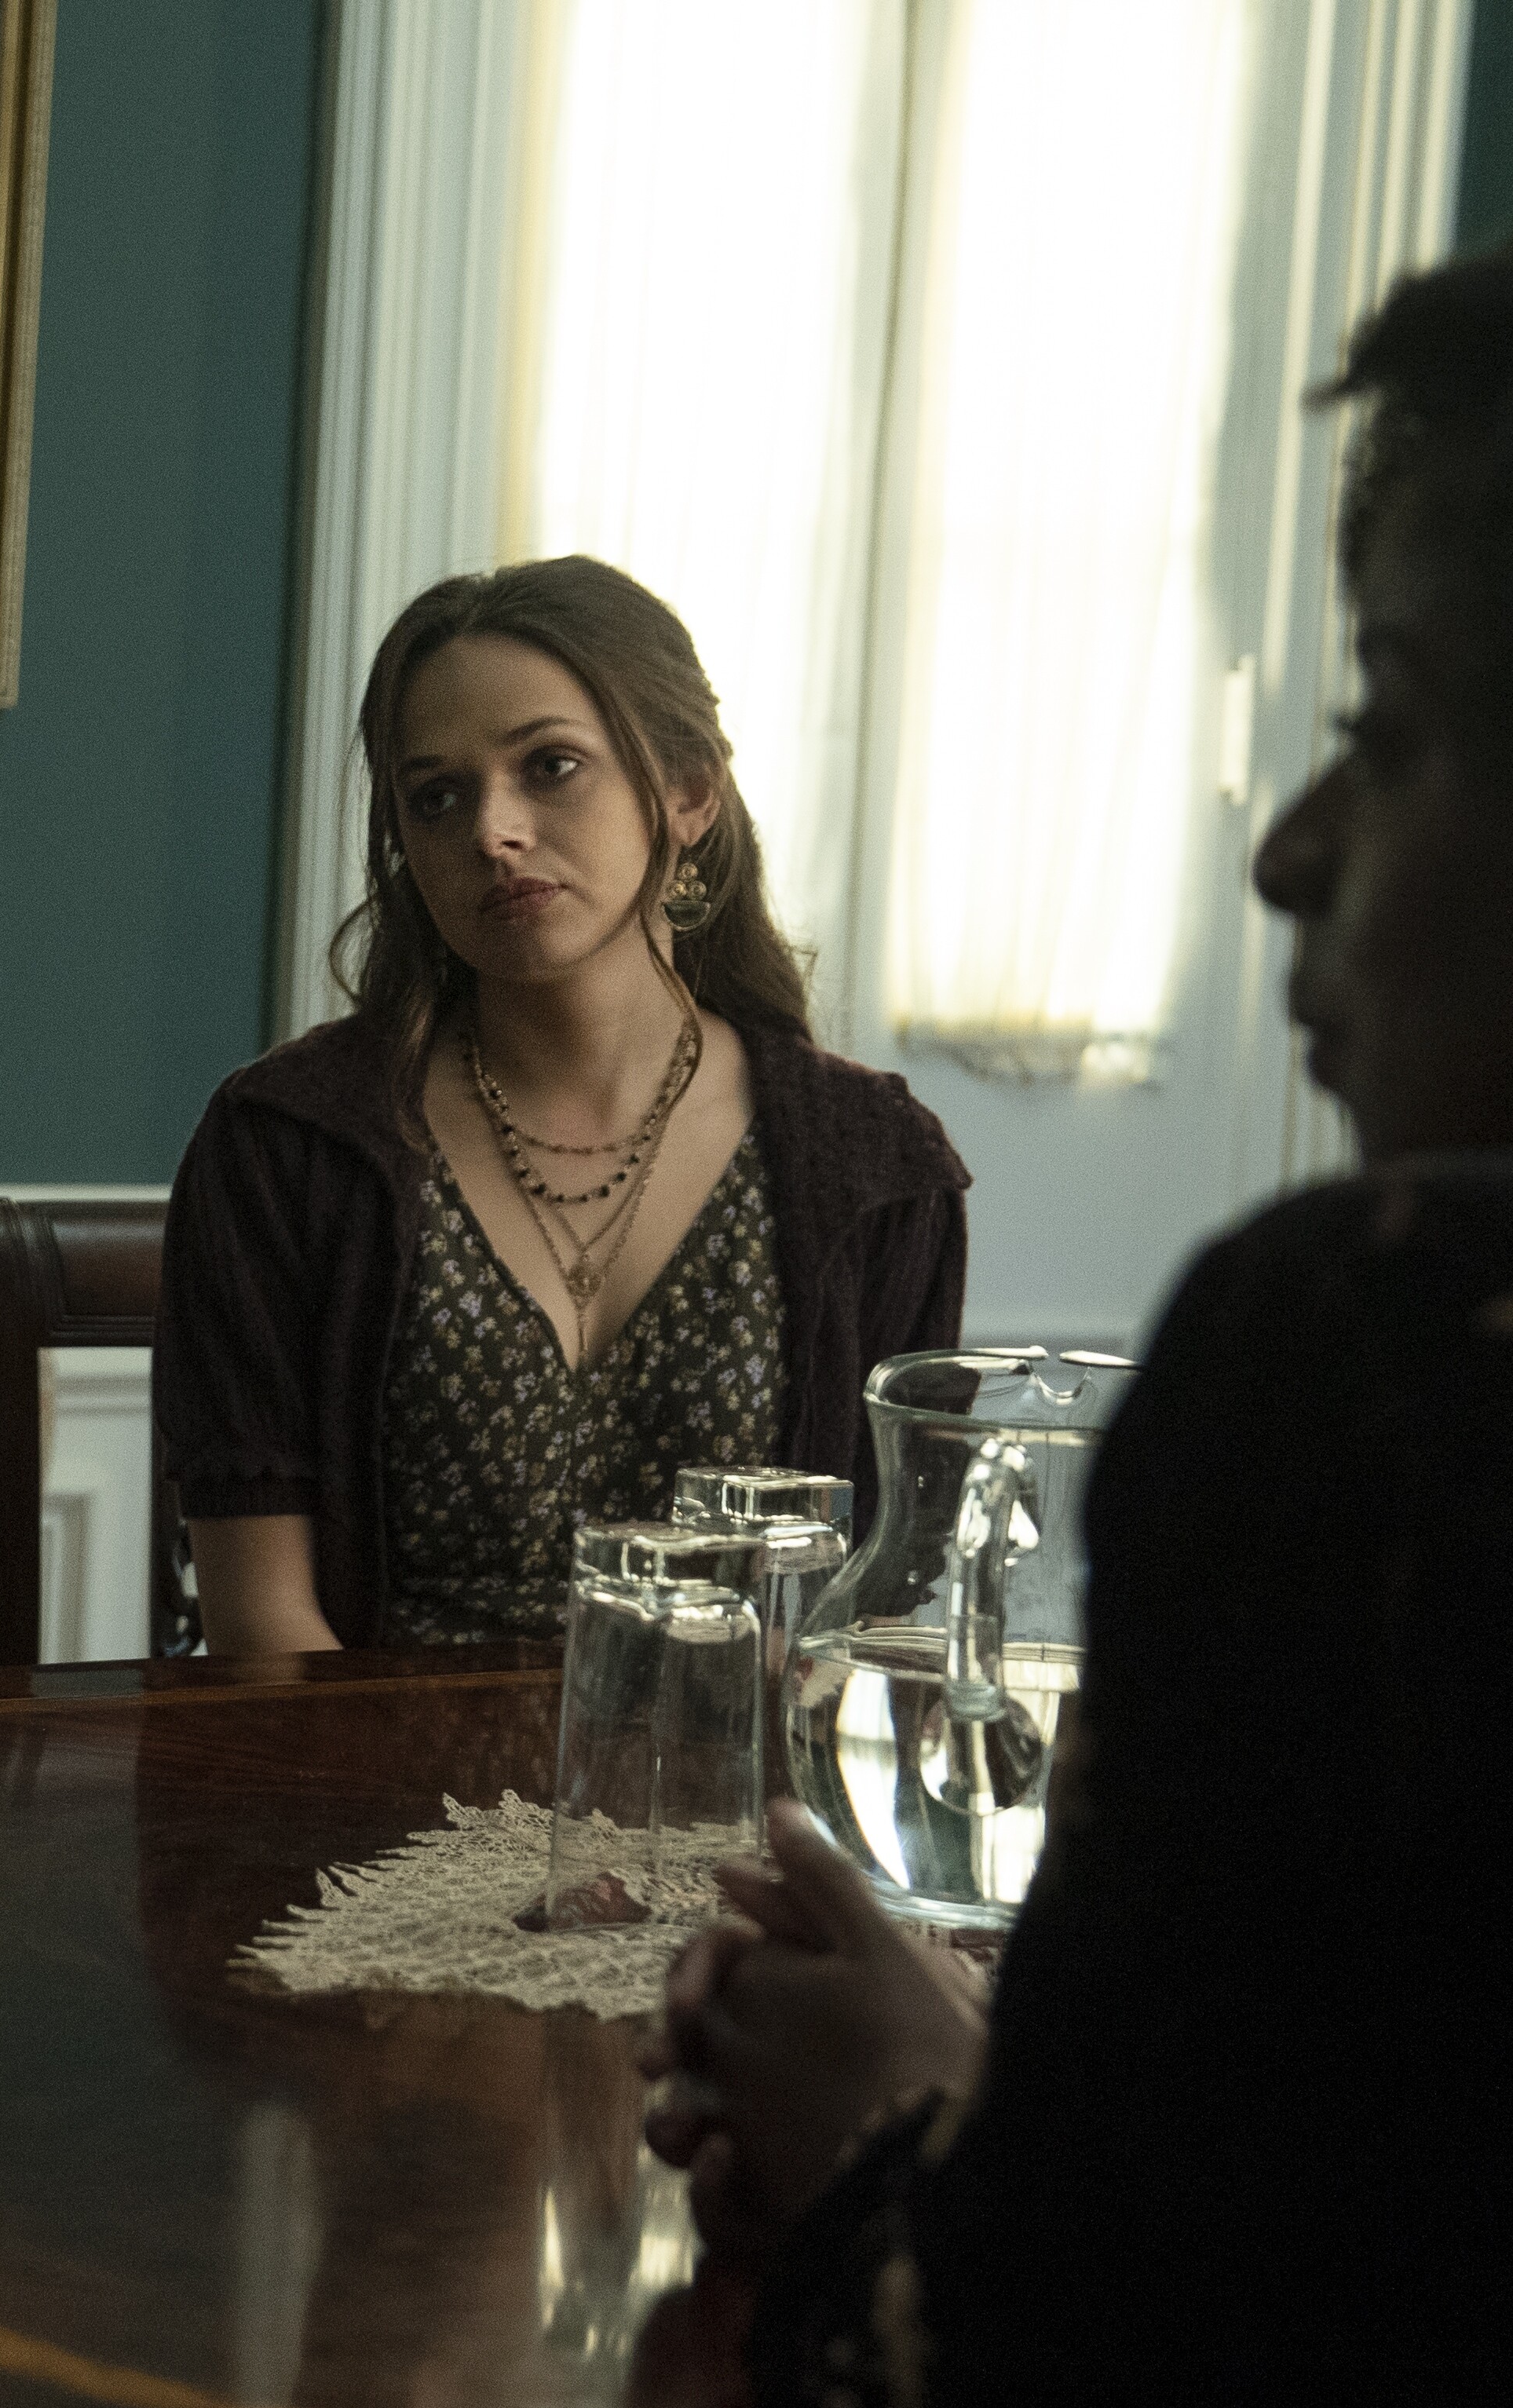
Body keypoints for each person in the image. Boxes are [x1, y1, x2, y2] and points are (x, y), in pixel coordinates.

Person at [641, 232, 1513, 2408]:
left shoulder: (1375, 1355)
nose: (1286, 849)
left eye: (1390, 731)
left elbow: (1079, 2391)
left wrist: (884, 2127)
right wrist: (1032, 2084)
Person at [156, 557, 967, 1652]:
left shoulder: (877, 1169)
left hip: (735, 1762)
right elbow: (265, 1629)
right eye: (437, 796)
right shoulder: (285, 1147)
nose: (493, 830)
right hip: (360, 1756)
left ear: (688, 792)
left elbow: (870, 1614)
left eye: (551, 767)